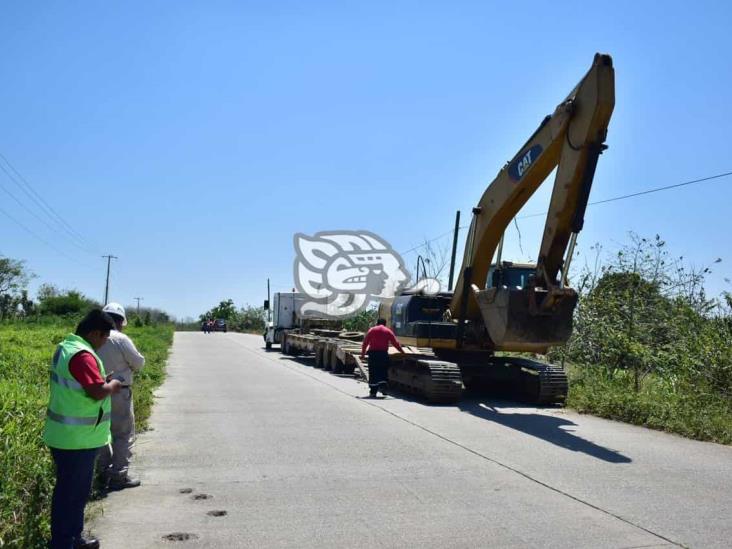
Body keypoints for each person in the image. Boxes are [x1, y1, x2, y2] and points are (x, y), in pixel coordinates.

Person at [43, 309, 122, 549]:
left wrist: (101, 381)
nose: (103, 343)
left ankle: (72, 538)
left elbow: (84, 385)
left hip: (66, 436)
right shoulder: (83, 355)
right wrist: (113, 385)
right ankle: (65, 542)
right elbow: (97, 392)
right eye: (104, 338)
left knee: (70, 493)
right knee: (72, 495)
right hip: (77, 440)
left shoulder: (66, 348)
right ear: (94, 333)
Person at [97, 303, 145, 491]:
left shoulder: (91, 339)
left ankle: (102, 472)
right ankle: (118, 476)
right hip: (119, 391)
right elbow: (139, 363)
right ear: (119, 321)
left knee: (100, 433)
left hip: (96, 391)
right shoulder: (120, 338)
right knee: (122, 434)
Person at [360, 318, 404, 397]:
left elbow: (365, 343)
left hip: (373, 355)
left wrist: (363, 354)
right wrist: (402, 351)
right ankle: (383, 388)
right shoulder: (388, 331)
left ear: (377, 323)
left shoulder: (372, 330)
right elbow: (395, 343)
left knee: (373, 372)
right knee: (383, 371)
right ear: (385, 323)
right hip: (383, 354)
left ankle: (373, 392)